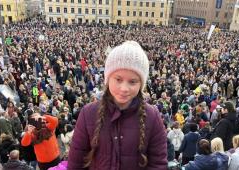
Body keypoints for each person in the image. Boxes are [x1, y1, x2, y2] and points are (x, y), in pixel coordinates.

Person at [68, 41, 167, 169]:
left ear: (141, 84)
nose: (124, 88)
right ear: (108, 79)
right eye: (118, 79)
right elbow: (76, 162)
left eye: (132, 82)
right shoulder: (88, 113)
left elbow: (158, 164)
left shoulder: (152, 116)